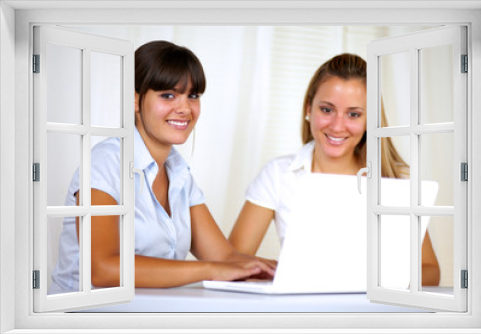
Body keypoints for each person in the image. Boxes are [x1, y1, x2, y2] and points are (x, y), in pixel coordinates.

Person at [50, 40, 276, 294]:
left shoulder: (178, 173)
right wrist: (210, 270)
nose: (185, 108)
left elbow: (224, 257)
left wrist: (278, 271)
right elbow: (103, 269)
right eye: (168, 95)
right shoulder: (106, 163)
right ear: (135, 100)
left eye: (193, 95)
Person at [229, 53, 440, 286]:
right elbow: (230, 263)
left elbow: (429, 271)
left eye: (354, 114)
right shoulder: (279, 175)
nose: (338, 126)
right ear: (309, 109)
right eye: (327, 110)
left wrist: (374, 284)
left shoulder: (391, 182)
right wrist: (277, 271)